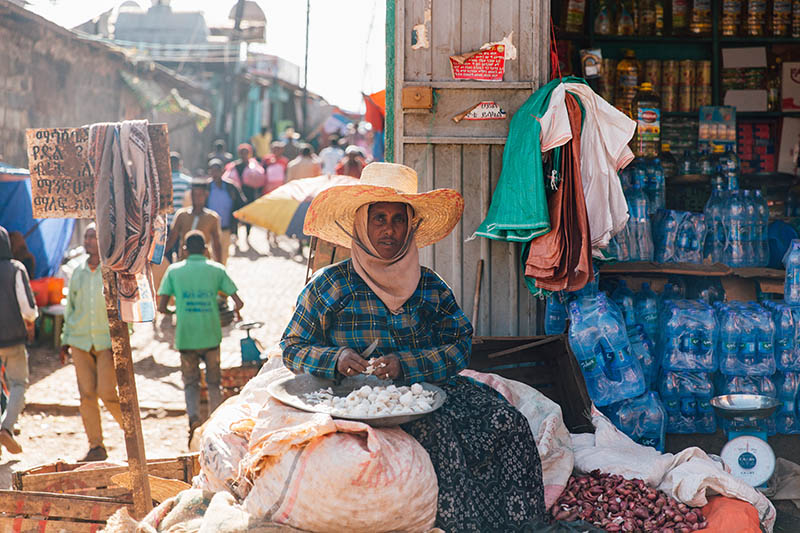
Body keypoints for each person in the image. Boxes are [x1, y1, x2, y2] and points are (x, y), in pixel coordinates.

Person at [280, 163, 546, 531]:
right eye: (379, 219)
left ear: (411, 227)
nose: (389, 229)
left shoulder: (430, 286)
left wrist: (407, 365)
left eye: (398, 219)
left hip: (427, 392)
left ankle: (520, 525)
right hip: (353, 403)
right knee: (442, 440)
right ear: (361, 224)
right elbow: (292, 346)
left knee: (509, 423)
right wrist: (336, 358)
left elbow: (459, 345)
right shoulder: (331, 285)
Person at [157, 230, 243, 443]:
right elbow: (238, 302)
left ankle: (193, 418)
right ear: (206, 248)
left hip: (186, 337)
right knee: (214, 383)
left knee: (190, 382)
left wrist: (176, 311)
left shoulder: (174, 271)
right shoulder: (216, 269)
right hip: (211, 335)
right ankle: (215, 420)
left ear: (184, 249)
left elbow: (161, 307)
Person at [59, 224, 124, 462]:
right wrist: (65, 339)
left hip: (107, 341)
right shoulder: (78, 272)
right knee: (87, 395)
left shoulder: (112, 271)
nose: (88, 241)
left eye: (93, 237)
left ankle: (131, 433)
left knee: (108, 393)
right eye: (86, 237)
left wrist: (124, 339)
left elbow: (123, 305)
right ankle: (96, 446)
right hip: (80, 340)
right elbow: (71, 308)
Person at [0, 225, 37, 455]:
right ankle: (6, 427)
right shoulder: (16, 269)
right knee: (18, 383)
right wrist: (30, 322)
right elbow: (28, 309)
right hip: (13, 338)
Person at [206, 159, 246, 264]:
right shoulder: (207, 188)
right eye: (212, 171)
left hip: (225, 228)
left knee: (224, 255)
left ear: (223, 171)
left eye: (217, 171)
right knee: (210, 255)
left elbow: (241, 203)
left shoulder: (231, 187)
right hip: (209, 229)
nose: (215, 174)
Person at [223, 144, 266, 241]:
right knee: (236, 214)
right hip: (237, 194)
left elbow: (260, 181)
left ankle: (247, 234)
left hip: (249, 193)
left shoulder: (254, 166)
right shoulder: (234, 166)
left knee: (249, 215)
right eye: (242, 153)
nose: (244, 155)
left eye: (246, 153)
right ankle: (236, 234)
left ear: (249, 154)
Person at [169, 152, 192, 227]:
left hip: (167, 222)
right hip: (183, 222)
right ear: (180, 164)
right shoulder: (188, 181)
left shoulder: (162, 182)